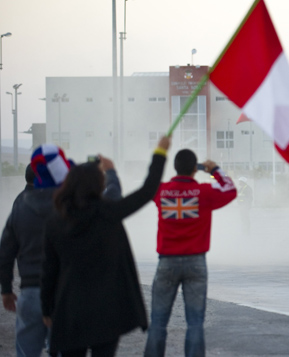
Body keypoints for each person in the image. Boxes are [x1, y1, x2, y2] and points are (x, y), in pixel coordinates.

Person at [40, 136, 171, 356]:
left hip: (70, 307)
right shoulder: (108, 212)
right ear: (98, 185)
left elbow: (48, 270)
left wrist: (46, 309)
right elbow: (148, 191)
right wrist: (160, 152)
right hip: (107, 309)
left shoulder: (55, 222)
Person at [144, 149, 237, 357]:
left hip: (166, 262)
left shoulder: (162, 191)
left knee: (158, 321)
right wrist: (215, 170)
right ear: (196, 169)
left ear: (175, 167)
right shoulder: (204, 192)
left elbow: (148, 184)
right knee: (195, 322)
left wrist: (159, 156)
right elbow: (230, 190)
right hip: (196, 262)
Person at [0, 146, 71, 357]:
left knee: (26, 352)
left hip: (30, 291)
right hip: (60, 290)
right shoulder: (63, 204)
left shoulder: (19, 205)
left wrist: (6, 289)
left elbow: (5, 252)